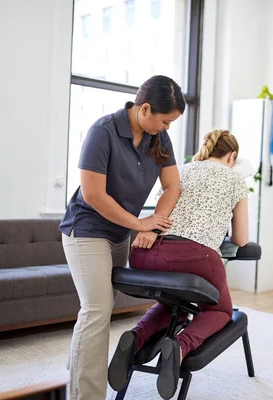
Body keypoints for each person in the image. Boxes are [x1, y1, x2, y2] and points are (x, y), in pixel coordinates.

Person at [59, 75, 185, 399]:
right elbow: (94, 196)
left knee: (100, 313)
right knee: (96, 310)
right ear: (145, 108)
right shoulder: (103, 132)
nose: (168, 127)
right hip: (86, 230)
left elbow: (173, 187)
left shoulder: (158, 139)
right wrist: (140, 224)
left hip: (119, 233)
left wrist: (154, 224)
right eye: (166, 120)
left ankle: (79, 383)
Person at [108, 129, 249, 399]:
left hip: (143, 253)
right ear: (232, 156)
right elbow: (241, 238)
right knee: (220, 310)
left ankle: (136, 338)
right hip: (193, 256)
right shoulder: (235, 179)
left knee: (173, 303)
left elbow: (163, 210)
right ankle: (180, 346)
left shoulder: (180, 171)